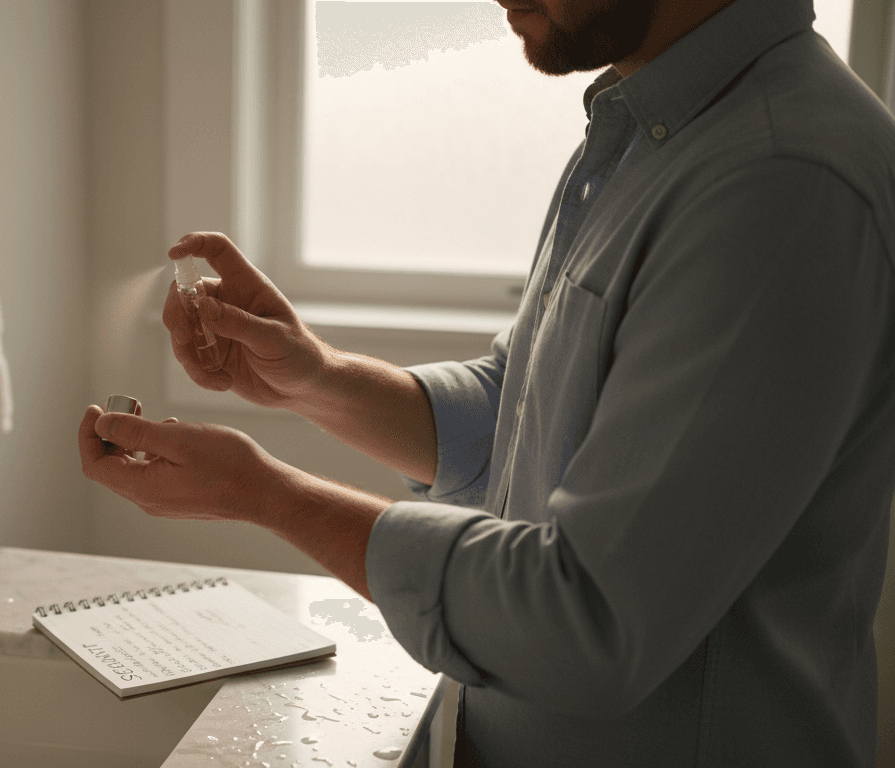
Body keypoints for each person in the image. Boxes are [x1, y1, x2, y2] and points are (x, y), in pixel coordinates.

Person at [79, 0, 895, 764]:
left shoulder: (780, 182)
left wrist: (267, 496)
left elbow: (589, 622)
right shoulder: (650, 129)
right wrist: (310, 378)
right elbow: (521, 406)